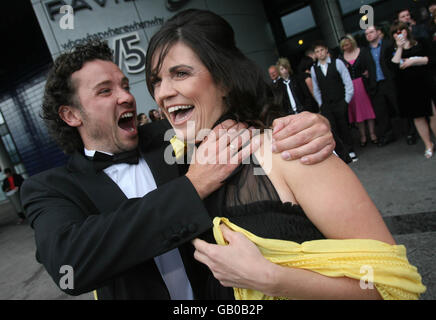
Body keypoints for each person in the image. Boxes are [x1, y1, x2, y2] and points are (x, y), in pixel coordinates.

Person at [20, 41, 335, 300]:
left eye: (125, 85)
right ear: (71, 114)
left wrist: (306, 124)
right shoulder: (50, 188)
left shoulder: (172, 136)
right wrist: (192, 187)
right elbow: (71, 265)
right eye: (105, 91)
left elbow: (240, 122)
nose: (126, 96)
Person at [145, 9, 424, 300]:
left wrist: (272, 279)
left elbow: (389, 286)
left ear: (224, 79)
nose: (163, 92)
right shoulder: (179, 163)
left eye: (180, 73)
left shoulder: (289, 149)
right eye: (156, 81)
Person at [391, 22, 436, 158]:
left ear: (407, 31)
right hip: (408, 89)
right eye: (396, 32)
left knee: (433, 114)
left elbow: (432, 59)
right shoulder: (391, 49)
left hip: (425, 84)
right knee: (418, 118)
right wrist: (399, 48)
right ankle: (428, 144)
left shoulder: (420, 42)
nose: (400, 34)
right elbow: (393, 68)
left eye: (402, 30)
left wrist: (415, 61)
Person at [310, 41, 357, 162]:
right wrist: (320, 103)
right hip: (326, 104)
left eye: (321, 50)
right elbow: (316, 88)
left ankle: (350, 150)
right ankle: (341, 154)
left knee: (344, 127)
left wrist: (346, 101)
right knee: (332, 129)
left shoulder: (338, 63)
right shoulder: (314, 69)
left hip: (340, 101)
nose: (320, 53)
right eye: (317, 51)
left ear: (326, 50)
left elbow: (347, 82)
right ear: (315, 54)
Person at [361, 25, 400, 146]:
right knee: (381, 113)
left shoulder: (388, 45)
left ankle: (411, 131)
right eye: (367, 33)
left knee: (399, 106)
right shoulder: (365, 51)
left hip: (390, 82)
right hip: (376, 85)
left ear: (378, 32)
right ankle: (388, 135)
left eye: (371, 32)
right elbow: (362, 67)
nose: (369, 35)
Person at [340, 35, 378, 147]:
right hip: (351, 87)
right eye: (343, 46)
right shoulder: (340, 58)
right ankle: (363, 136)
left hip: (363, 85)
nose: (346, 47)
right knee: (358, 114)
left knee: (368, 110)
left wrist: (369, 76)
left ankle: (372, 134)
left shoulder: (362, 51)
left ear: (352, 43)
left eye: (347, 44)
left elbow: (370, 66)